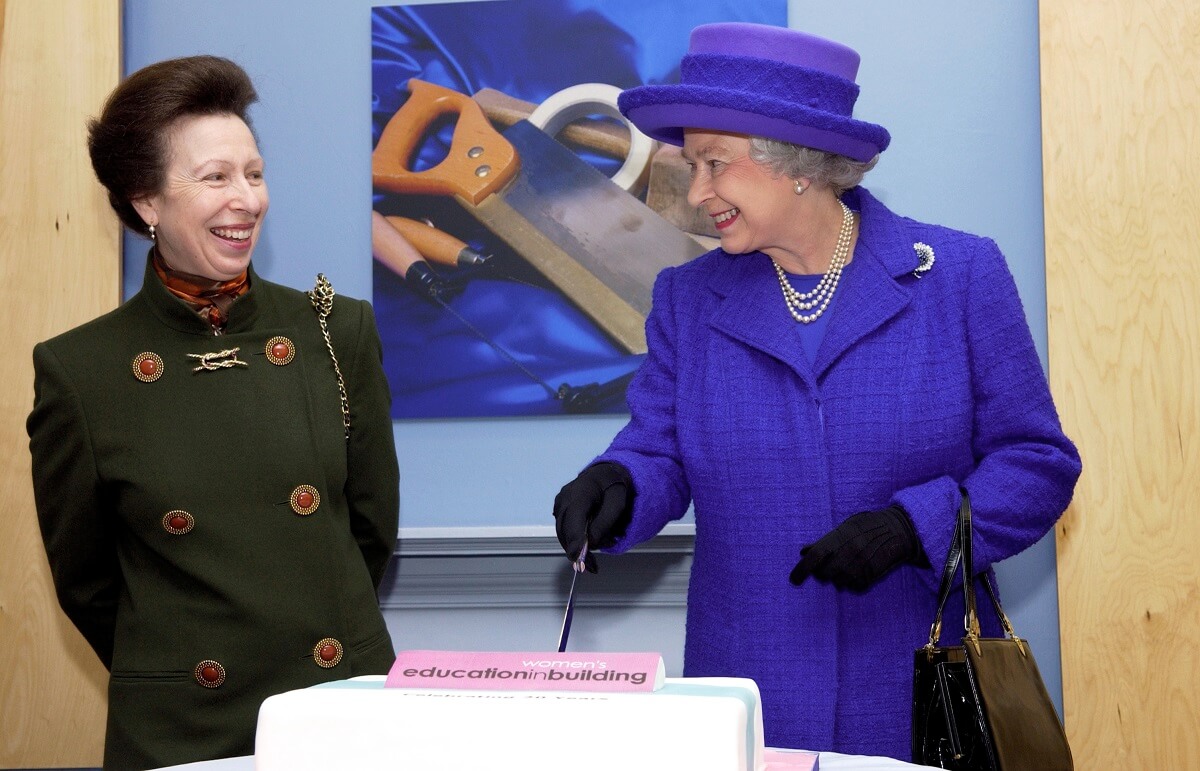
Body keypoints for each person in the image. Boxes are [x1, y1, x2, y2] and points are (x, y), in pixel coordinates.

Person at [552, 23, 1081, 761]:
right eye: (693, 164)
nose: (697, 191)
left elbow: (1037, 463)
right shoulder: (687, 297)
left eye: (714, 164)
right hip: (753, 694)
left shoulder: (959, 277)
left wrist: (911, 528)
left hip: (920, 697)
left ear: (795, 164)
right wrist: (618, 484)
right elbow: (661, 449)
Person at [27, 56, 399, 770]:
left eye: (254, 173)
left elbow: (368, 529)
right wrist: (170, 666)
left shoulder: (334, 330)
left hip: (334, 711)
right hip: (183, 732)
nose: (248, 200)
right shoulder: (81, 371)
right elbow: (89, 582)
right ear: (145, 202)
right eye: (215, 178)